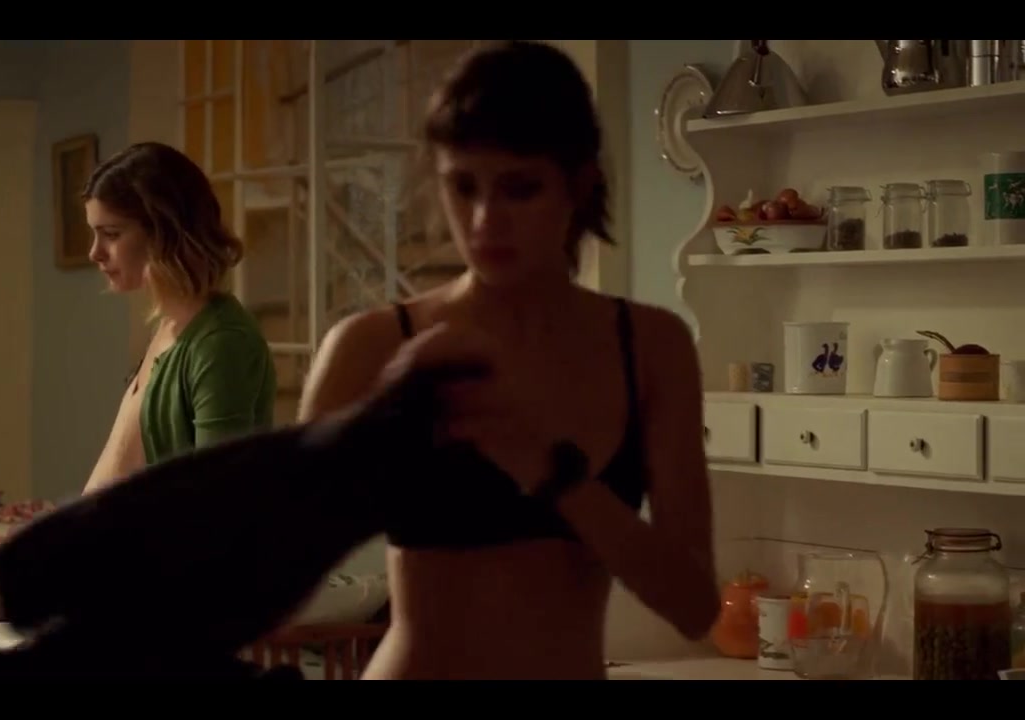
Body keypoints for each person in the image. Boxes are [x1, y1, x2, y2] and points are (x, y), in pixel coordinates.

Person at [297, 41, 721, 680]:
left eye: (520, 188)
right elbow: (270, 572)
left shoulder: (651, 346)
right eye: (462, 186)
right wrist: (371, 439)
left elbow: (694, 607)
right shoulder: (372, 346)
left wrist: (550, 471)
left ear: (579, 183)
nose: (484, 220)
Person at [80, 141, 277, 495]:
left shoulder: (220, 343)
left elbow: (219, 500)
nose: (95, 253)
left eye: (111, 234)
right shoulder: (170, 325)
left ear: (163, 232)